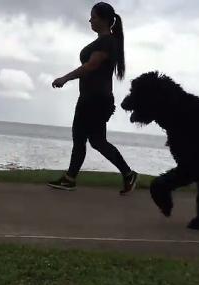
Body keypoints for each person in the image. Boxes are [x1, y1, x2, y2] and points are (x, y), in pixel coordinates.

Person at [48, 2, 138, 194]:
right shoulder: (107, 41)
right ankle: (127, 174)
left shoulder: (106, 42)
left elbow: (91, 66)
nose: (90, 20)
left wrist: (65, 78)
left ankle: (70, 179)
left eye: (94, 17)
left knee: (81, 137)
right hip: (96, 98)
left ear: (104, 20)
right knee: (95, 140)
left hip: (95, 99)